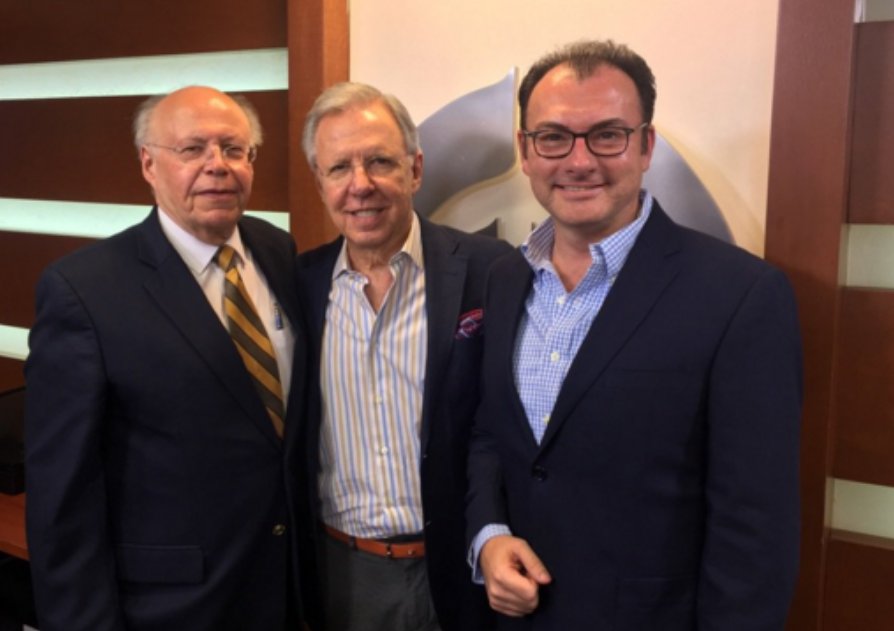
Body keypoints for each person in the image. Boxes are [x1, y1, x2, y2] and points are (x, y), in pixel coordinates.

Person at [466, 40, 803, 629]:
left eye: (607, 135)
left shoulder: (741, 295)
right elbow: (492, 435)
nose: (578, 161)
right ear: (525, 151)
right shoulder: (504, 277)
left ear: (646, 146)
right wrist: (489, 535)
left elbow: (755, 530)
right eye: (553, 137)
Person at [25, 86, 308, 630]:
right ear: (148, 164)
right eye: (192, 149)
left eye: (234, 149)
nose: (217, 165)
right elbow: (62, 497)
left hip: (284, 587)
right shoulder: (84, 290)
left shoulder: (278, 249)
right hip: (169, 606)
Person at [296, 82, 512, 631]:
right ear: (320, 183)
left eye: (379, 162)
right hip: (344, 574)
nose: (360, 185)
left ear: (415, 169)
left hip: (464, 567)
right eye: (339, 168)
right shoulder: (297, 286)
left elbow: (508, 425)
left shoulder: (491, 270)